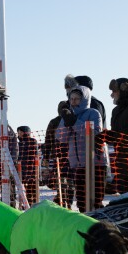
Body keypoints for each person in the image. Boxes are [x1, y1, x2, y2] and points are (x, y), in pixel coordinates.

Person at [56, 85, 106, 213]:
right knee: (82, 199)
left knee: (95, 198)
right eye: (71, 99)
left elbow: (94, 133)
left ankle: (99, 223)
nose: (73, 102)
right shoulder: (68, 115)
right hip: (77, 164)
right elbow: (61, 138)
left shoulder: (93, 113)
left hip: (95, 163)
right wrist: (67, 122)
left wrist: (74, 122)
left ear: (84, 99)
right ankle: (85, 223)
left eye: (77, 99)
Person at [44, 100, 76, 208]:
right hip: (69, 156)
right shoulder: (73, 119)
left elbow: (48, 140)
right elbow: (48, 139)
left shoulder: (55, 122)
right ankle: (67, 203)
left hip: (59, 156)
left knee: (62, 180)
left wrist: (46, 156)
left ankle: (63, 203)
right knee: (69, 181)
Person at [0, 109, 19, 203]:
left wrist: (12, 159)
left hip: (2, 162)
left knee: (6, 184)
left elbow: (14, 142)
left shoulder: (3, 125)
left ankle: (9, 203)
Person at [16, 126, 39, 205]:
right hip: (22, 169)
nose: (19, 134)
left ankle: (35, 204)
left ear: (25, 132)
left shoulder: (32, 141)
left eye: (20, 132)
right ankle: (28, 205)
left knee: (32, 188)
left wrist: (31, 170)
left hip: (31, 168)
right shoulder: (19, 143)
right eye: (18, 132)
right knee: (25, 189)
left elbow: (34, 156)